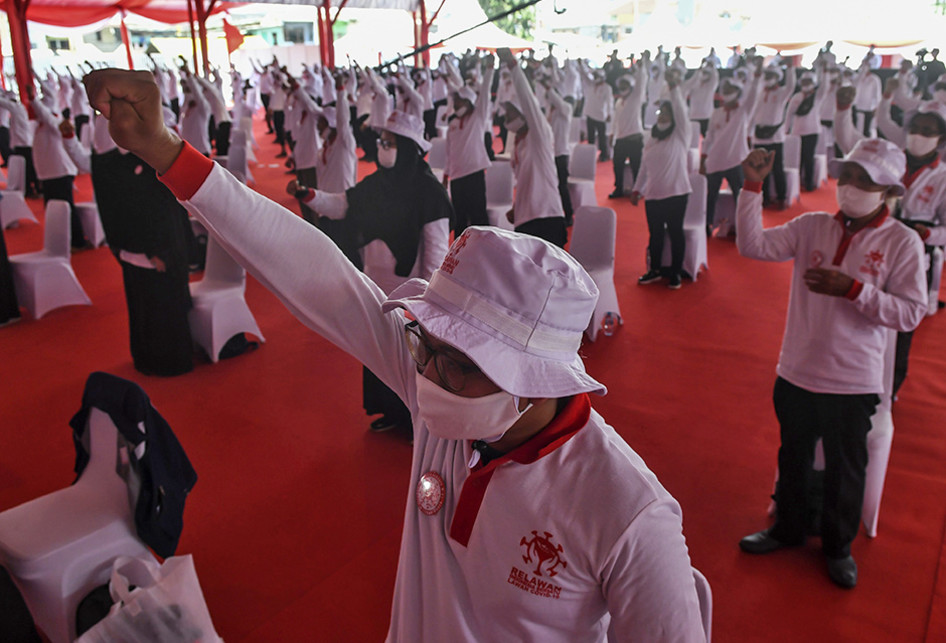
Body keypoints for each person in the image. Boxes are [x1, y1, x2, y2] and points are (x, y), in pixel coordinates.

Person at [84, 67, 706, 642]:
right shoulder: (443, 396)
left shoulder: (627, 514)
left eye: (457, 364)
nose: (426, 376)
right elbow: (313, 271)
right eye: (424, 343)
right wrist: (167, 152)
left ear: (535, 381)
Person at [735, 140, 927, 589]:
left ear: (888, 189)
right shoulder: (813, 225)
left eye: (865, 179)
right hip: (797, 369)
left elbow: (911, 313)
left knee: (846, 468)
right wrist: (751, 186)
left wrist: (854, 290)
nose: (852, 186)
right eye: (849, 175)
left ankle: (838, 547)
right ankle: (787, 529)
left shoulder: (902, 243)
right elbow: (753, 245)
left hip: (853, 380)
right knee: (794, 455)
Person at [290, 110, 452, 434]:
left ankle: (412, 421)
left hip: (410, 292)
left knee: (410, 358)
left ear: (407, 147)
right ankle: (389, 411)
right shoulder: (376, 184)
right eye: (381, 141)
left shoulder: (428, 191)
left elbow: (435, 252)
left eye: (389, 142)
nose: (382, 147)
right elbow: (341, 204)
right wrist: (308, 195)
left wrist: (426, 301)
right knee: (378, 351)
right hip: (374, 283)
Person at [836, 83, 946, 394]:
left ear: (941, 139)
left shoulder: (943, 176)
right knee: (856, 307)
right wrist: (843, 112)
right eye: (917, 128)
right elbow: (850, 142)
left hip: (916, 250)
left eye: (929, 131)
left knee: (901, 322)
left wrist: (931, 233)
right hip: (872, 240)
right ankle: (848, 374)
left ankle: (891, 385)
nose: (920, 135)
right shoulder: (889, 158)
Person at [498, 48, 568, 248]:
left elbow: (528, 101)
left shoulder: (539, 135)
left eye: (511, 113)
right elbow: (525, 181)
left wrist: (513, 66)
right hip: (525, 218)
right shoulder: (519, 142)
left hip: (546, 216)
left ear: (523, 115)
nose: (506, 118)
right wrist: (517, 207)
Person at [631, 71, 691, 289]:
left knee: (675, 234)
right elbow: (644, 168)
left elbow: (682, 113)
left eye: (666, 112)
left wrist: (674, 88)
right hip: (654, 195)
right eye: (660, 112)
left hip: (677, 193)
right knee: (655, 234)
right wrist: (637, 189)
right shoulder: (651, 137)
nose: (662, 115)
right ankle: (654, 269)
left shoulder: (681, 134)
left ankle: (675, 272)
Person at [700, 66, 761, 235]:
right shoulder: (716, 113)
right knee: (710, 196)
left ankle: (742, 228)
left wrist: (756, 76)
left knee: (740, 197)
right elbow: (709, 137)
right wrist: (703, 159)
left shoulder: (743, 112)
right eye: (725, 89)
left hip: (737, 161)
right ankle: (707, 225)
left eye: (731, 89)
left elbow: (753, 96)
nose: (726, 92)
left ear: (738, 92)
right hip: (715, 161)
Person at [443, 56, 494, 234]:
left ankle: (485, 254)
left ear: (470, 102)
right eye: (455, 100)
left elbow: (485, 93)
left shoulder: (477, 117)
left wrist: (489, 70)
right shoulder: (453, 124)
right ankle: (460, 258)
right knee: (459, 221)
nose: (456, 103)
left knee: (479, 217)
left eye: (460, 100)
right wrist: (446, 175)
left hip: (474, 174)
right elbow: (449, 152)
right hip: (456, 177)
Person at [751, 63, 795, 209]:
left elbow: (791, 86)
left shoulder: (782, 92)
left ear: (777, 78)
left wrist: (790, 68)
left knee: (777, 169)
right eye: (766, 75)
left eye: (770, 76)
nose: (768, 78)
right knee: (761, 169)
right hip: (759, 136)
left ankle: (782, 198)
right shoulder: (760, 92)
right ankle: (765, 198)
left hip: (775, 138)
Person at [609, 57, 648, 200]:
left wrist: (640, 68)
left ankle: (638, 190)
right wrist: (612, 133)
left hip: (634, 138)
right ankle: (618, 188)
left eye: (626, 84)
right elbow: (615, 120)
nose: (623, 87)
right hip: (620, 138)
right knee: (617, 166)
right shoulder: (619, 101)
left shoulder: (635, 97)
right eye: (622, 85)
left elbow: (641, 83)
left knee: (636, 167)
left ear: (631, 86)